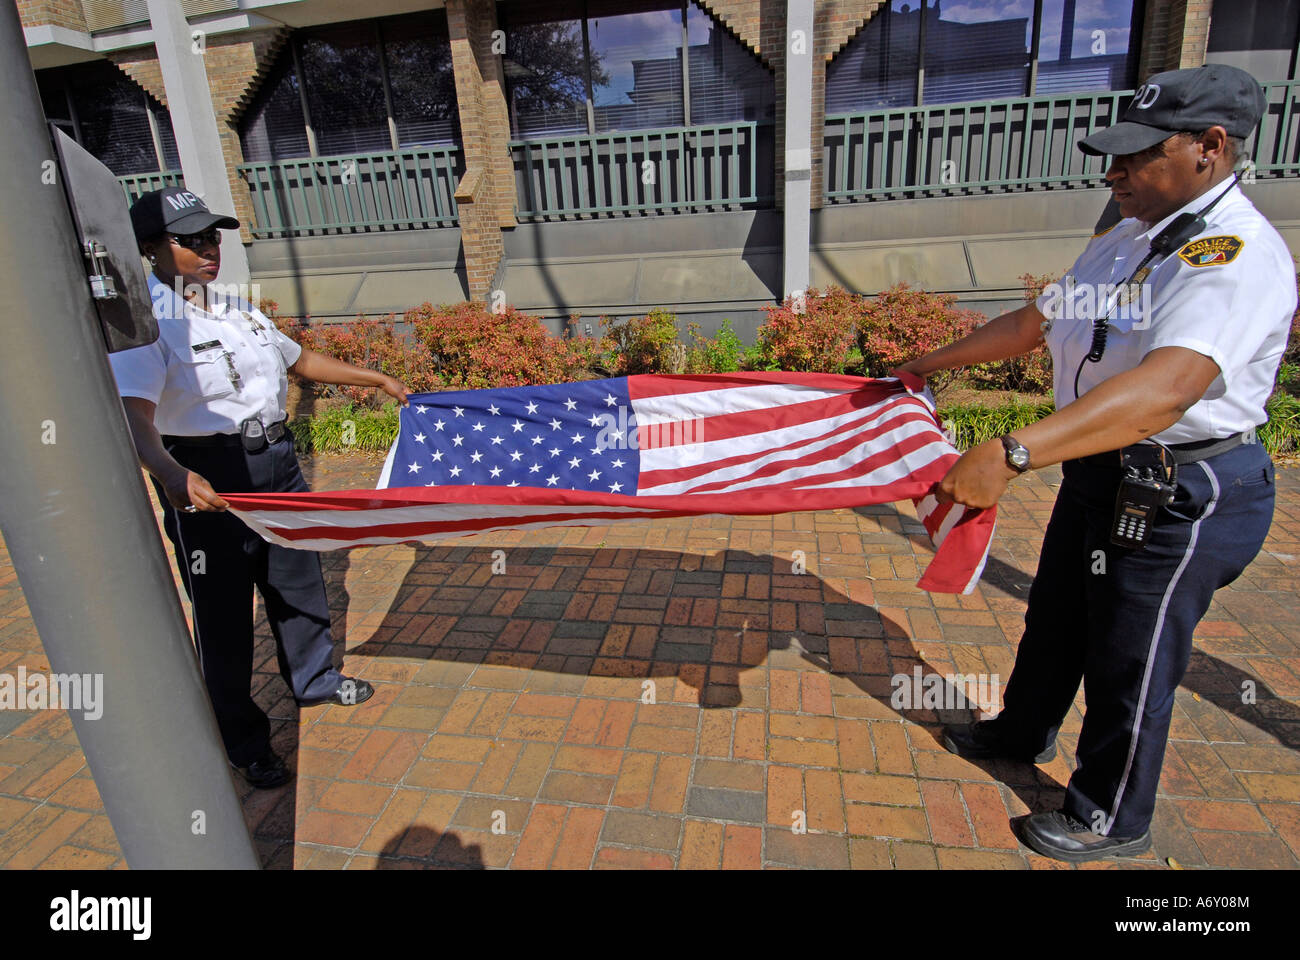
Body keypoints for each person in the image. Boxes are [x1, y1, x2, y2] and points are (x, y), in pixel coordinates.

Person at [893, 65, 1294, 862]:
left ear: (1211, 148)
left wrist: (1011, 453)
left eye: (1137, 155)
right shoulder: (1127, 237)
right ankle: (1022, 730)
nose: (1113, 171)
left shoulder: (1235, 256)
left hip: (1183, 486)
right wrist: (926, 365)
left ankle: (1110, 815)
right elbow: (1034, 324)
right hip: (1101, 472)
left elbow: (1167, 389)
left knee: (1130, 655)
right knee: (1059, 616)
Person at [109, 186, 409, 788]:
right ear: (151, 249)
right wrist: (170, 473)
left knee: (298, 580)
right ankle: (245, 741)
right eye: (189, 239)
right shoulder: (149, 325)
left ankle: (315, 679)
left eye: (211, 235)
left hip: (276, 464)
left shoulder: (236, 308)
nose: (207, 248)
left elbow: (299, 362)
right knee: (222, 618)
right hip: (210, 479)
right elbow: (133, 417)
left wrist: (373, 378)